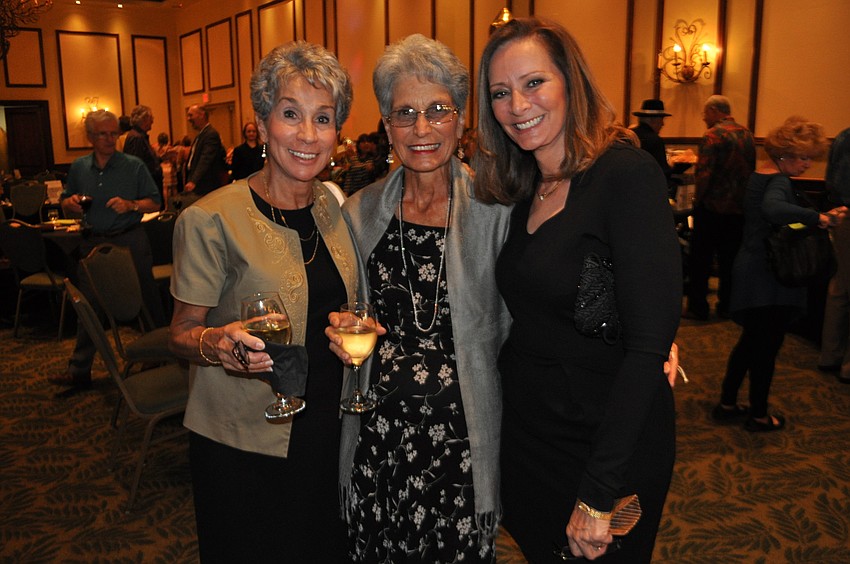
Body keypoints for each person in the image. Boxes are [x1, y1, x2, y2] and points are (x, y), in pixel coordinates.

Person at [474, 17, 681, 562]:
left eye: (534, 83)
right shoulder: (521, 190)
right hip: (531, 438)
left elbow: (648, 346)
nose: (518, 105)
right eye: (501, 92)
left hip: (606, 443)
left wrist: (597, 492)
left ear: (571, 82)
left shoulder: (624, 176)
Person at [167, 41, 358, 561]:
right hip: (243, 442)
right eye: (290, 114)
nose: (306, 134)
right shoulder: (210, 219)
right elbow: (181, 331)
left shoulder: (334, 207)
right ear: (261, 121)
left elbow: (333, 304)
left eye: (323, 118)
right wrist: (215, 343)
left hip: (326, 429)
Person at [330, 34, 513, 562]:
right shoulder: (360, 214)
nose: (422, 128)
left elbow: (537, 316)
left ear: (460, 119)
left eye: (437, 110)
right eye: (404, 113)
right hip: (377, 443)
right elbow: (341, 310)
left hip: (463, 448)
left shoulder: (496, 213)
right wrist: (339, 329)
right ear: (386, 126)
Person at [715, 117, 846, 432]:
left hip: (752, 268)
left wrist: (816, 220)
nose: (806, 164)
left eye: (809, 158)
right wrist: (819, 217)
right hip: (768, 275)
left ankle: (727, 403)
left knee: (750, 343)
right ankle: (759, 415)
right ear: (784, 154)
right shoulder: (779, 182)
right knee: (766, 348)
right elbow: (775, 211)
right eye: (802, 158)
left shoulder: (760, 175)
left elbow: (779, 222)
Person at [50, 110, 164, 391]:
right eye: (103, 133)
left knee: (147, 301)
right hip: (93, 244)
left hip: (130, 240)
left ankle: (162, 357)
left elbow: (155, 202)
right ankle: (79, 370)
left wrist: (132, 205)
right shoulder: (78, 167)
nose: (111, 138)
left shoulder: (133, 166)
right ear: (90, 136)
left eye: (114, 133)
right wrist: (70, 203)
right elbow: (65, 200)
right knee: (90, 305)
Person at [685, 95, 756, 320]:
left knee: (701, 260)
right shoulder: (747, 135)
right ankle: (727, 305)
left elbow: (704, 174)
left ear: (715, 110)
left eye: (705, 113)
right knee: (730, 261)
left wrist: (697, 201)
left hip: (712, 208)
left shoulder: (712, 136)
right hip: (739, 209)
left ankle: (698, 307)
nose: (704, 118)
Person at [820, 126, 850, 384]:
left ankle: (830, 354)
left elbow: (833, 182)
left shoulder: (843, 136)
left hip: (840, 214)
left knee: (839, 286)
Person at [629, 99, 675, 197]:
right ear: (653, 120)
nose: (663, 124)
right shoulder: (655, 140)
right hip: (647, 192)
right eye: (661, 120)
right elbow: (662, 172)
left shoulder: (629, 136)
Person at [123, 105, 164, 205]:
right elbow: (136, 166)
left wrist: (161, 158)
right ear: (144, 119)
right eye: (151, 118)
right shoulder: (137, 138)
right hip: (146, 189)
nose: (152, 121)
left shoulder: (139, 136)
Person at [184, 104, 228, 197]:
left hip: (206, 185)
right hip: (200, 185)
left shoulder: (210, 134)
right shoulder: (201, 135)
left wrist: (193, 181)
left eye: (191, 115)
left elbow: (206, 158)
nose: (188, 119)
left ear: (202, 115)